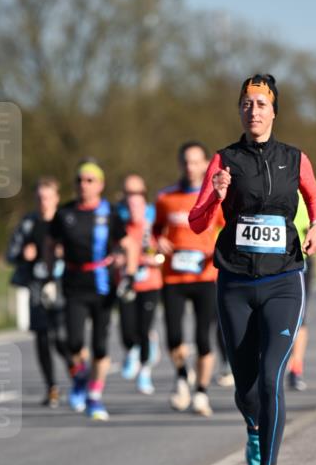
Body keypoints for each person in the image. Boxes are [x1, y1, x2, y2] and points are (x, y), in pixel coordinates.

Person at [189, 73, 316, 465]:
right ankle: (253, 424)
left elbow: (315, 198)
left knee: (271, 377)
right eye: (247, 103)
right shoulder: (224, 159)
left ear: (274, 111)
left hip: (283, 279)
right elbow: (196, 222)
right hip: (235, 282)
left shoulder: (294, 158)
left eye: (262, 103)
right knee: (246, 387)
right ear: (240, 111)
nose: (254, 110)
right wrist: (216, 196)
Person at [51, 159, 138, 420]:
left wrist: (130, 274)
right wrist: (48, 273)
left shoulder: (109, 213)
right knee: (72, 342)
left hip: (102, 285)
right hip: (73, 283)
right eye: (79, 180)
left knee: (99, 346)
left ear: (100, 185)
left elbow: (129, 244)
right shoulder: (64, 213)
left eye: (89, 181)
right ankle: (80, 377)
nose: (83, 185)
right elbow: (50, 242)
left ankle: (94, 396)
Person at [155, 142, 224, 417]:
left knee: (203, 338)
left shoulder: (215, 198)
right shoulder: (166, 197)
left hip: (205, 276)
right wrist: (158, 241)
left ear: (205, 164)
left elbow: (228, 230)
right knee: (174, 337)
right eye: (185, 161)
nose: (190, 167)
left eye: (195, 162)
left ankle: (201, 393)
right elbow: (156, 230)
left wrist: (217, 250)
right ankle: (183, 376)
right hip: (173, 277)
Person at [6, 177, 70, 407]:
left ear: (56, 198)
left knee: (62, 338)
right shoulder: (28, 224)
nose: (44, 202)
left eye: (48, 197)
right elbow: (9, 255)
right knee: (42, 337)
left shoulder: (65, 221)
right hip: (36, 286)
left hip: (63, 285)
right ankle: (51, 387)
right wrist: (23, 255)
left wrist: (65, 252)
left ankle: (75, 370)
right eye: (40, 198)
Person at [114, 174, 164, 395]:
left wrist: (152, 259)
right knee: (127, 329)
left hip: (150, 284)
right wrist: (117, 260)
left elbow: (162, 254)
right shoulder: (120, 226)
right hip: (126, 283)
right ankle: (131, 350)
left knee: (144, 329)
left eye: (138, 204)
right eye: (130, 204)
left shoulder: (152, 227)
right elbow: (112, 252)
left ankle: (145, 371)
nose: (134, 209)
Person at [286, 184, 316, 390]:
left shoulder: (315, 185)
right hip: (272, 258)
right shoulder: (268, 178)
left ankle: (296, 368)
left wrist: (314, 228)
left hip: (300, 257)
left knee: (300, 316)